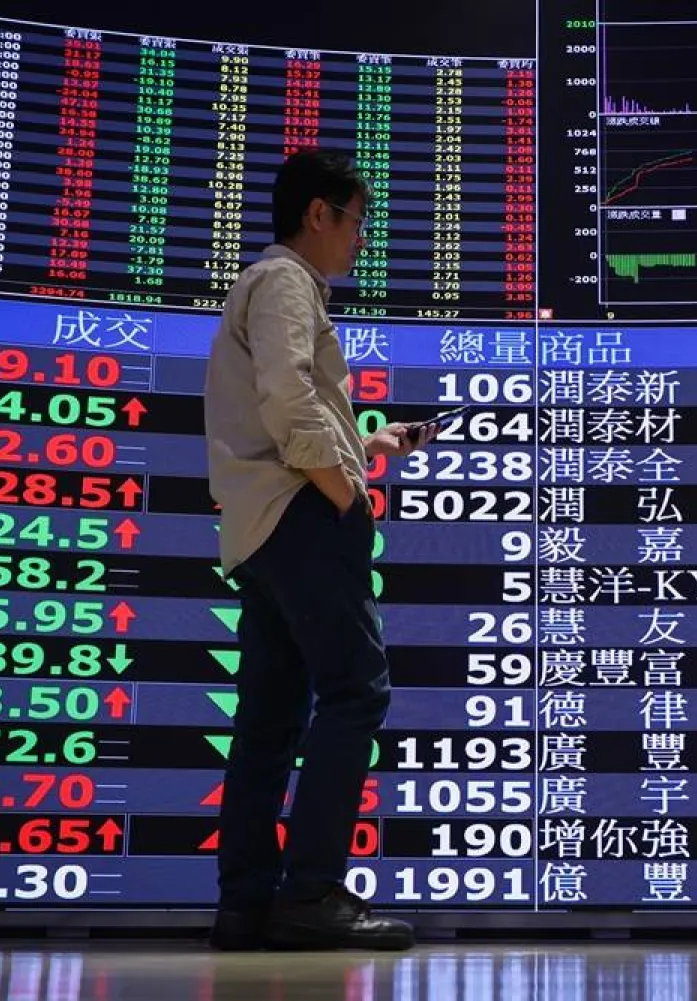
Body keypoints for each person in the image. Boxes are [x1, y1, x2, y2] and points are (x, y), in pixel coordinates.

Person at [202, 149, 434, 951]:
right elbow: (289, 394)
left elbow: (287, 415)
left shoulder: (264, 286)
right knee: (355, 693)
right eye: (357, 221)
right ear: (318, 214)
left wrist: (370, 444)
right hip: (303, 520)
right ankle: (311, 893)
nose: (360, 240)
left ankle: (245, 905)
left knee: (267, 719)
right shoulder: (287, 282)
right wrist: (343, 490)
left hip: (261, 529)